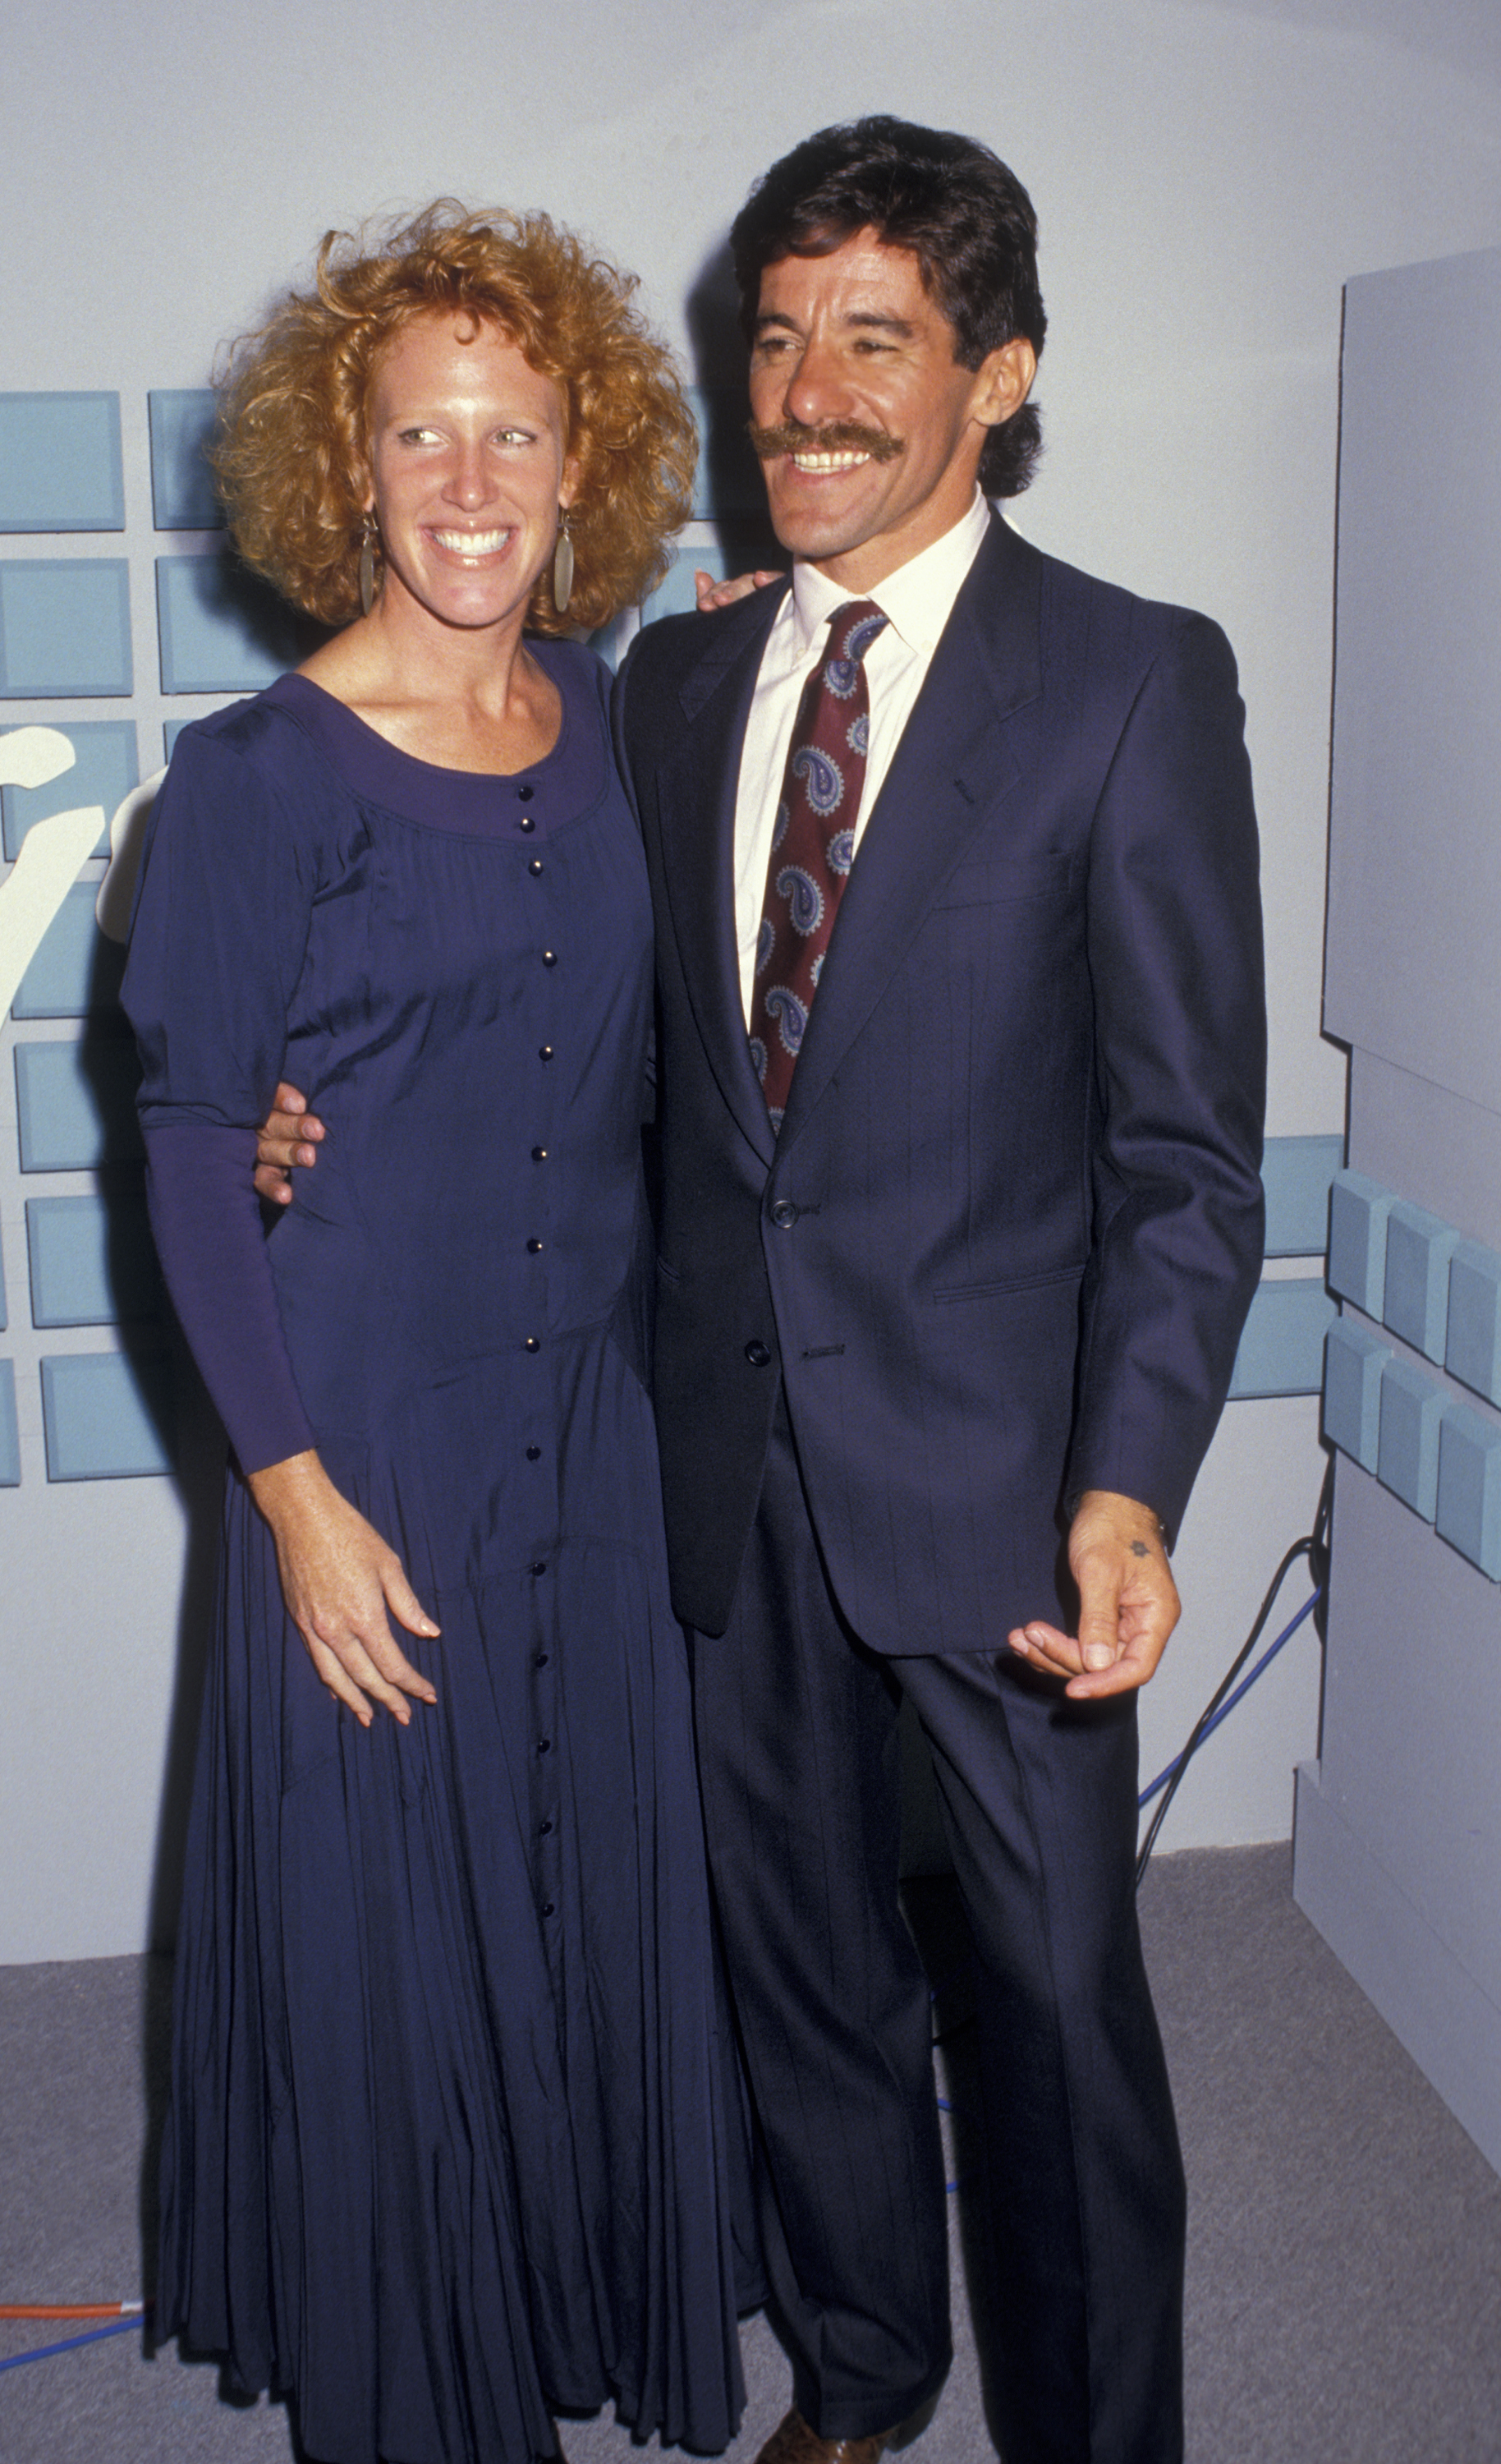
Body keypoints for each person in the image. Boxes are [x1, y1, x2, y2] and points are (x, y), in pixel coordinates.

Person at [259, 117, 1266, 2464]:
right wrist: (305, 1116)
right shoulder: (670, 692)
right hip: (709, 1468)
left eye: (873, 343)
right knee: (799, 1982)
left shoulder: (1130, 684)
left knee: (1048, 2014)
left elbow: (1183, 1160)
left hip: (1006, 1494)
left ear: (995, 377)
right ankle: (863, 2371)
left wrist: (1124, 1490)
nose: (803, 392)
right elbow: (567, 1045)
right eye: (777, 336)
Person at [122, 202, 751, 2464]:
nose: (468, 482)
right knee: (396, 1931)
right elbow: (197, 1142)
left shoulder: (609, 713)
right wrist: (287, 1499)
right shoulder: (257, 778)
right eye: (420, 439)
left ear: (581, 459)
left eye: (512, 431)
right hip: (364, 1433)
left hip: (587, 1419)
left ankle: (577, 2289)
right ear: (344, 473)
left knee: (585, 1885)